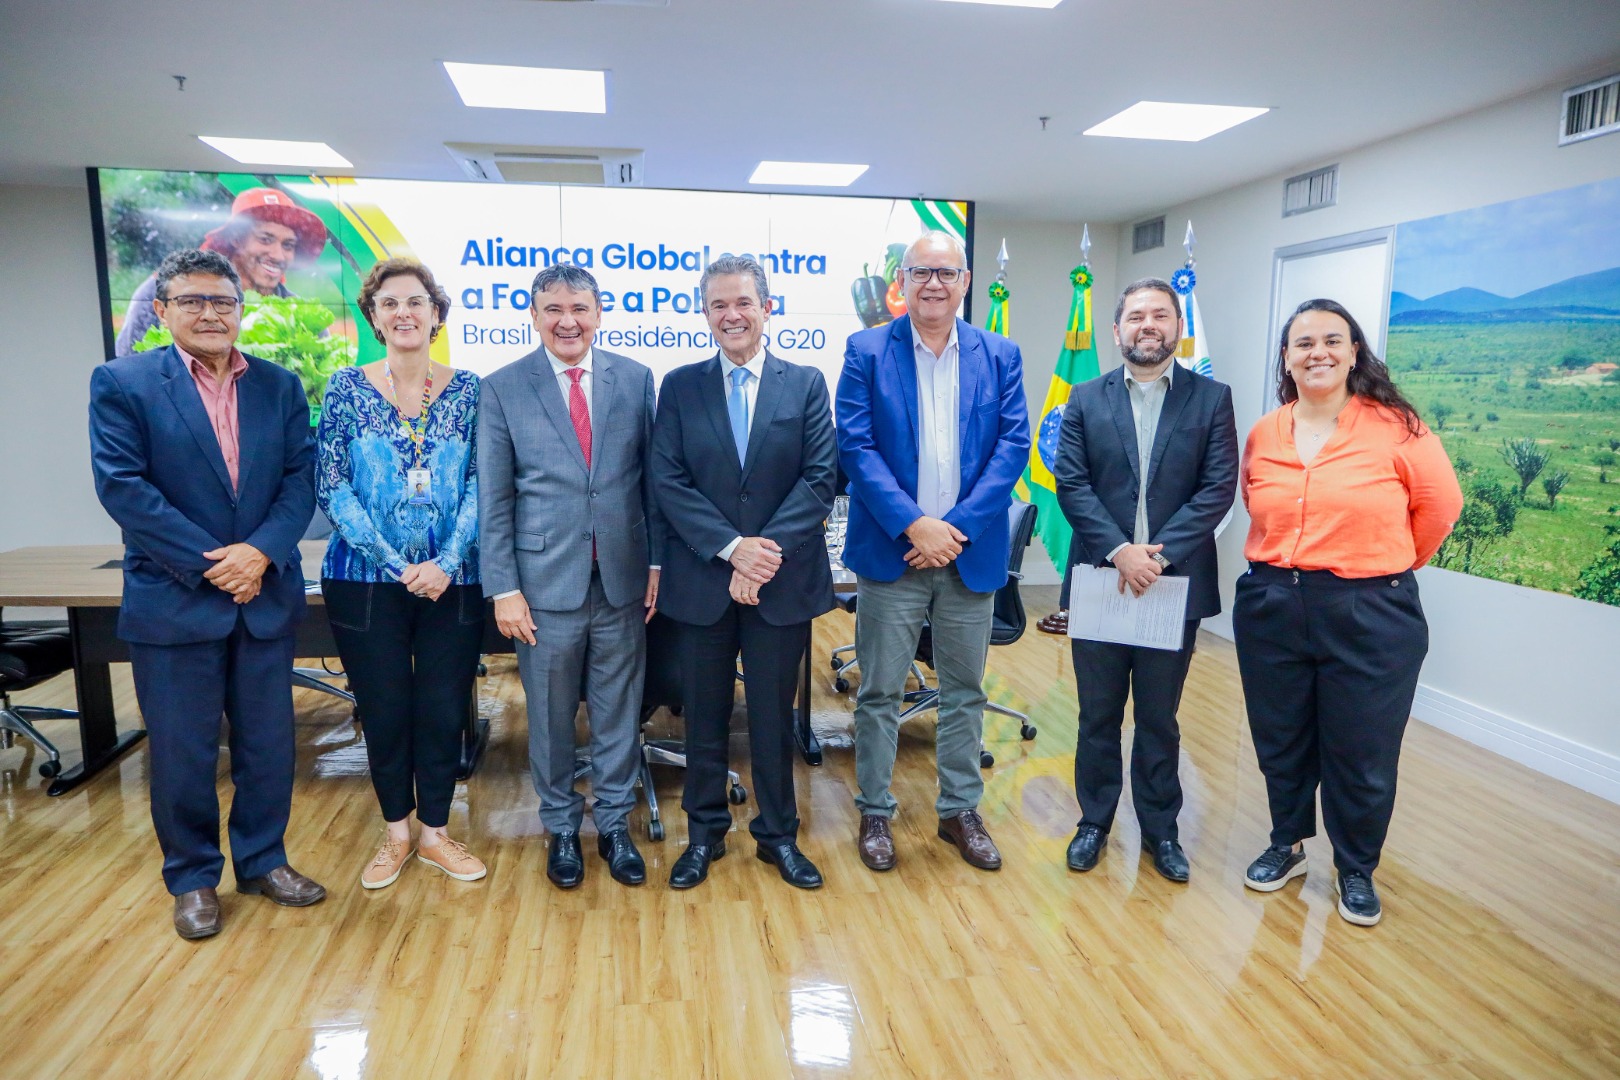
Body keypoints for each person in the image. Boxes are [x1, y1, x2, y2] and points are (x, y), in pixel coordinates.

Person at [88, 248, 323, 939]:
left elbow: (300, 481)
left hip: (263, 596)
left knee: (268, 748)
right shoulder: (123, 382)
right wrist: (216, 564)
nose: (211, 313)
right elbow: (123, 488)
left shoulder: (278, 385)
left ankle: (263, 861)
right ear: (162, 311)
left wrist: (260, 553)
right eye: (193, 301)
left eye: (223, 301)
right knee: (183, 753)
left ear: (240, 310)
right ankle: (192, 878)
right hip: (175, 598)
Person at [1235, 298, 1462, 926]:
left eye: (1332, 340)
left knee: (1362, 748)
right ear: (1286, 358)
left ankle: (1355, 867)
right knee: (1281, 736)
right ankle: (1286, 844)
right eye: (1304, 343)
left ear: (1354, 352)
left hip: (1370, 611)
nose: (1319, 353)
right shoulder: (1265, 432)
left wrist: (1381, 567)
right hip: (1272, 603)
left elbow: (1440, 509)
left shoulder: (1398, 428)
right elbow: (1256, 503)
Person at [836, 230, 1030, 872]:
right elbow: (856, 447)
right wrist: (915, 525)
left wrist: (954, 531)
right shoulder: (867, 350)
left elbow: (1013, 447)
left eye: (946, 273)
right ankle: (875, 810)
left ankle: (959, 811)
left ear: (965, 282)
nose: (934, 284)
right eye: (921, 272)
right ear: (903, 282)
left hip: (967, 556)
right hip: (894, 553)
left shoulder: (999, 354)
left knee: (965, 690)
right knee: (879, 692)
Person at [651, 256, 837, 890]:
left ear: (767, 308)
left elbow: (819, 478)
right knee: (703, 717)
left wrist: (761, 554)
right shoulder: (680, 386)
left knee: (772, 718)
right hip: (704, 580)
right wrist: (732, 549)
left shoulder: (805, 383)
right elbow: (668, 480)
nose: (731, 315)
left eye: (743, 302)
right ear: (705, 314)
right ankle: (704, 835)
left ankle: (777, 836)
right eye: (718, 305)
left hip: (780, 583)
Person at [479, 263, 663, 890]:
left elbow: (651, 484)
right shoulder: (502, 388)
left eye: (579, 308)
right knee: (553, 720)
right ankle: (561, 826)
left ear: (599, 313)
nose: (567, 321)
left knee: (618, 713)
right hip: (542, 588)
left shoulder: (634, 379)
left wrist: (656, 562)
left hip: (622, 581)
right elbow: (495, 499)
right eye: (553, 309)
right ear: (533, 316)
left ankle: (614, 825)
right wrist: (504, 588)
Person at [1052, 278, 1238, 883]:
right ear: (1117, 330)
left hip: (1172, 586)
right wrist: (1119, 552)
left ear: (1177, 327)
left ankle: (1161, 830)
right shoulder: (1084, 398)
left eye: (1160, 315)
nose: (1148, 325)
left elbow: (1217, 488)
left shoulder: (1212, 399)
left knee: (1160, 719)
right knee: (1097, 715)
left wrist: (1155, 557)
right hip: (1101, 580)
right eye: (1136, 316)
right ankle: (1093, 823)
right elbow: (1071, 483)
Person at [316, 258, 486, 889]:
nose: (403, 312)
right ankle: (396, 835)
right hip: (363, 582)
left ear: (436, 314)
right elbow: (332, 486)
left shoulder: (471, 390)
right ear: (374, 317)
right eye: (389, 303)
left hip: (454, 581)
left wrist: (445, 562)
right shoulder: (344, 388)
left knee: (442, 709)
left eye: (416, 301)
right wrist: (395, 564)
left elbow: (484, 483)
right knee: (384, 710)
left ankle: (436, 833)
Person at [116, 187, 327, 356]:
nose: (278, 255)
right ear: (236, 239)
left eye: (288, 245)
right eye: (265, 239)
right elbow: (128, 365)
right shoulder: (160, 292)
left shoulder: (302, 315)